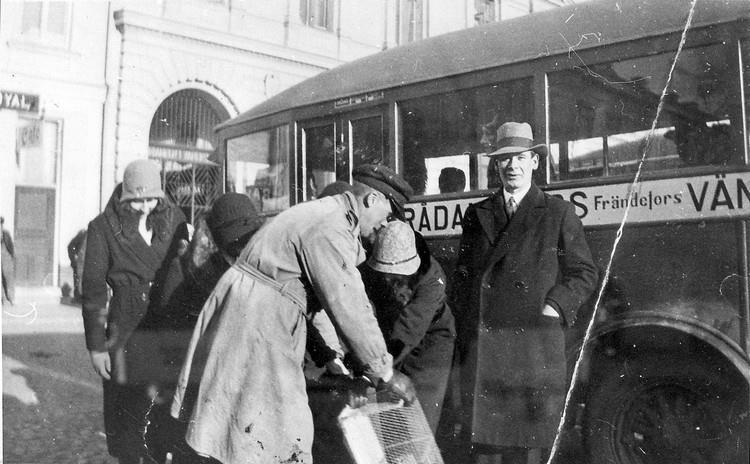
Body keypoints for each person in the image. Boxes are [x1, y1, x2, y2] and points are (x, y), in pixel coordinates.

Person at [171, 164, 417, 464]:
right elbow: (347, 303)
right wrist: (386, 373)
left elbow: (318, 305)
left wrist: (331, 358)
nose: (385, 226)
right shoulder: (331, 226)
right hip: (258, 323)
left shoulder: (329, 215)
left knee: (254, 431)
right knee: (273, 433)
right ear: (371, 200)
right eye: (388, 216)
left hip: (259, 317)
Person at [452, 122, 598, 464]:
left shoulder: (558, 212)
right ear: (496, 166)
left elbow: (584, 273)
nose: (512, 166)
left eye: (520, 157)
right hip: (487, 343)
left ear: (534, 161)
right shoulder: (477, 214)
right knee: (487, 448)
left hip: (532, 344)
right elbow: (463, 274)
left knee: (526, 447)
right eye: (504, 159)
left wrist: (554, 306)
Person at [81, 159, 188, 464]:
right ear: (125, 196)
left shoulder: (174, 218)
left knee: (163, 411)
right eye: (137, 200)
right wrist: (96, 347)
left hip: (166, 319)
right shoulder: (103, 227)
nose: (144, 207)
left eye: (151, 199)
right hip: (125, 325)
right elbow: (94, 291)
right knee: (127, 412)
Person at [360, 221, 456, 432]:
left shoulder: (432, 278)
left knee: (419, 414)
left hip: (430, 341)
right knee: (385, 415)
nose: (386, 277)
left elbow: (409, 329)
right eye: (382, 271)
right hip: (387, 333)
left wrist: (380, 368)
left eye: (392, 275)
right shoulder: (369, 267)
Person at [67, 228, 87, 304]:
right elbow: (70, 246)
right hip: (79, 264)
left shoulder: (100, 237)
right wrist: (74, 258)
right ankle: (78, 298)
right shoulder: (82, 235)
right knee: (78, 282)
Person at [1, 216, 15, 306]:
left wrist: (11, 256)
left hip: (6, 257)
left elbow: (10, 246)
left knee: (7, 278)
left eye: (1, 224)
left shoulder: (6, 234)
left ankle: (9, 298)